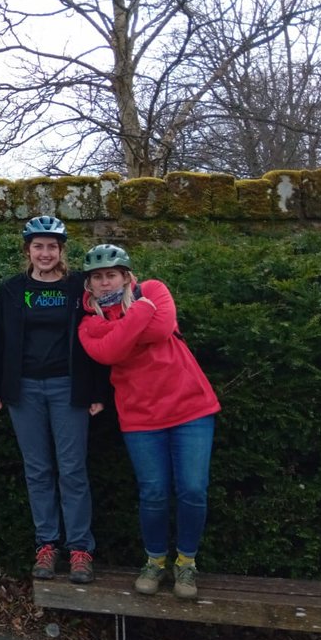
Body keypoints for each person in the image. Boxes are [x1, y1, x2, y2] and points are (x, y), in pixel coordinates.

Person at [77, 244, 221, 601]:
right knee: (154, 494)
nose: (105, 281)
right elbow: (109, 353)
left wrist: (125, 331)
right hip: (140, 417)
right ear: (89, 286)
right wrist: (139, 315)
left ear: (127, 276)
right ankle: (155, 561)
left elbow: (162, 329)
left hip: (191, 408)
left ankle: (186, 561)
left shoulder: (153, 290)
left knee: (192, 489)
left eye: (112, 274)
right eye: (97, 277)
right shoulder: (88, 324)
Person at [0, 215, 110, 585]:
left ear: (61, 250)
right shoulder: (12, 289)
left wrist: (97, 390)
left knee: (72, 470)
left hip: (67, 388)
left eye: (51, 246)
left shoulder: (77, 288)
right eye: (38, 246)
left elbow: (97, 336)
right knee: (37, 470)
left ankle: (80, 550)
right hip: (24, 390)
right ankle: (46, 544)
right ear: (28, 251)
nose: (45, 253)